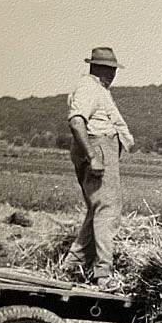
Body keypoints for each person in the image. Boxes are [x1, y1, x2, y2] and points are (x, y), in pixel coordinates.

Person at [62, 47, 134, 290]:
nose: (113, 74)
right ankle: (103, 274)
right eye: (110, 69)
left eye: (113, 69)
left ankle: (72, 265)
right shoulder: (89, 88)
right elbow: (76, 121)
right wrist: (93, 156)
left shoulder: (96, 89)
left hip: (101, 148)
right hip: (99, 147)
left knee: (98, 210)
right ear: (99, 68)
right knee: (108, 210)